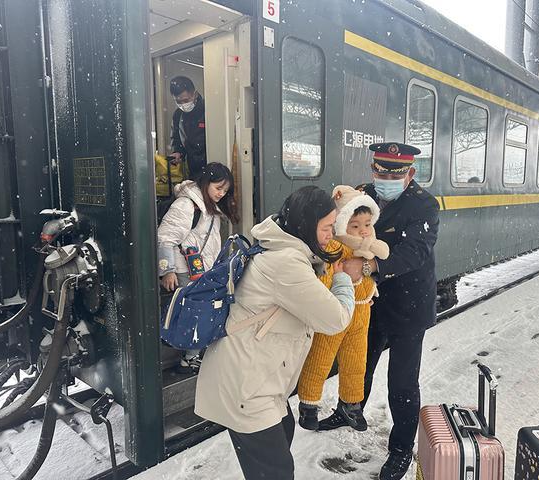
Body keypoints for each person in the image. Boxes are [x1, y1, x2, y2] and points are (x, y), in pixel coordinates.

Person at [194, 186, 356, 480]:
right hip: (247, 387)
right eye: (327, 227)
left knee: (282, 438)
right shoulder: (285, 264)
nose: (331, 234)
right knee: (276, 472)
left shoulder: (279, 246)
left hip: (260, 382)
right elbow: (336, 319)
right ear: (306, 226)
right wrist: (344, 278)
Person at [343, 142, 440, 480]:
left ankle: (400, 449)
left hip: (409, 304)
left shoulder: (424, 205)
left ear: (410, 174)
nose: (383, 179)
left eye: (392, 174)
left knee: (402, 382)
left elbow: (415, 252)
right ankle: (350, 409)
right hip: (370, 301)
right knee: (358, 362)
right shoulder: (363, 194)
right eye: (379, 172)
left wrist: (369, 267)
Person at [297, 185, 389, 432]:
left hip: (361, 313)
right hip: (335, 313)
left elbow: (371, 274)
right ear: (341, 224)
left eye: (367, 224)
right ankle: (308, 404)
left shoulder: (369, 249)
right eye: (355, 225)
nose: (363, 231)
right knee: (320, 358)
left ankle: (351, 404)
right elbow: (324, 279)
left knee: (356, 362)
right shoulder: (334, 249)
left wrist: (370, 283)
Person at [157, 162, 238, 371]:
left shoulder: (207, 206)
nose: (221, 194)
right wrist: (168, 271)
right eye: (218, 188)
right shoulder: (187, 205)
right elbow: (165, 238)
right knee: (196, 312)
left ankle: (190, 353)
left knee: (198, 311)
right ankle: (187, 355)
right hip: (185, 269)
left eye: (225, 190)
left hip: (200, 270)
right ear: (205, 182)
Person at [169, 76, 207, 180]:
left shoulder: (207, 109)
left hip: (210, 164)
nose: (183, 105)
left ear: (194, 94)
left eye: (186, 100)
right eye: (178, 102)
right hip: (191, 168)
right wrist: (177, 152)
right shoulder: (178, 115)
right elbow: (176, 139)